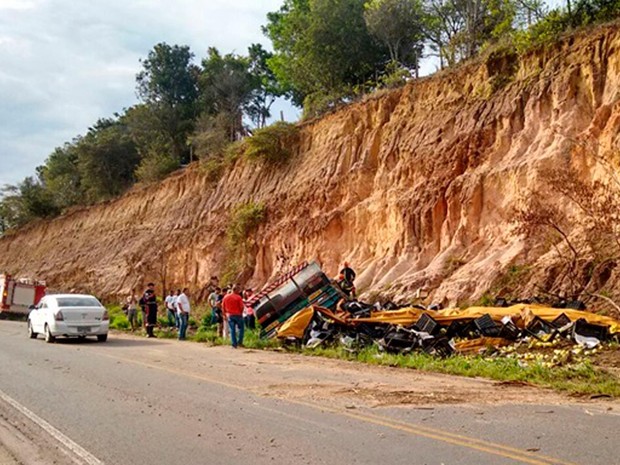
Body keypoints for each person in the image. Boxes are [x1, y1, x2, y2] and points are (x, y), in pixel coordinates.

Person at [222, 284, 245, 348]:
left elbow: (223, 307)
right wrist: (241, 313)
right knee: (241, 328)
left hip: (230, 315)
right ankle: (240, 342)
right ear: (235, 290)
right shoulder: (238, 297)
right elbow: (242, 307)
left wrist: (224, 315)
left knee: (232, 330)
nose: (239, 291)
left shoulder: (226, 297)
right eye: (238, 290)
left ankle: (234, 344)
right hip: (238, 315)